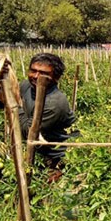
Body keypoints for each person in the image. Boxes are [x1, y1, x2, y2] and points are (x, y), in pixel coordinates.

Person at [19, 53, 77, 181]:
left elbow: (28, 133)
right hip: (40, 152)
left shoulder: (55, 103)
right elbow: (1, 100)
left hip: (58, 159)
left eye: (43, 73)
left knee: (50, 195)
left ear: (56, 78)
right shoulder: (26, 86)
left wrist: (15, 107)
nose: (36, 76)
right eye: (33, 70)